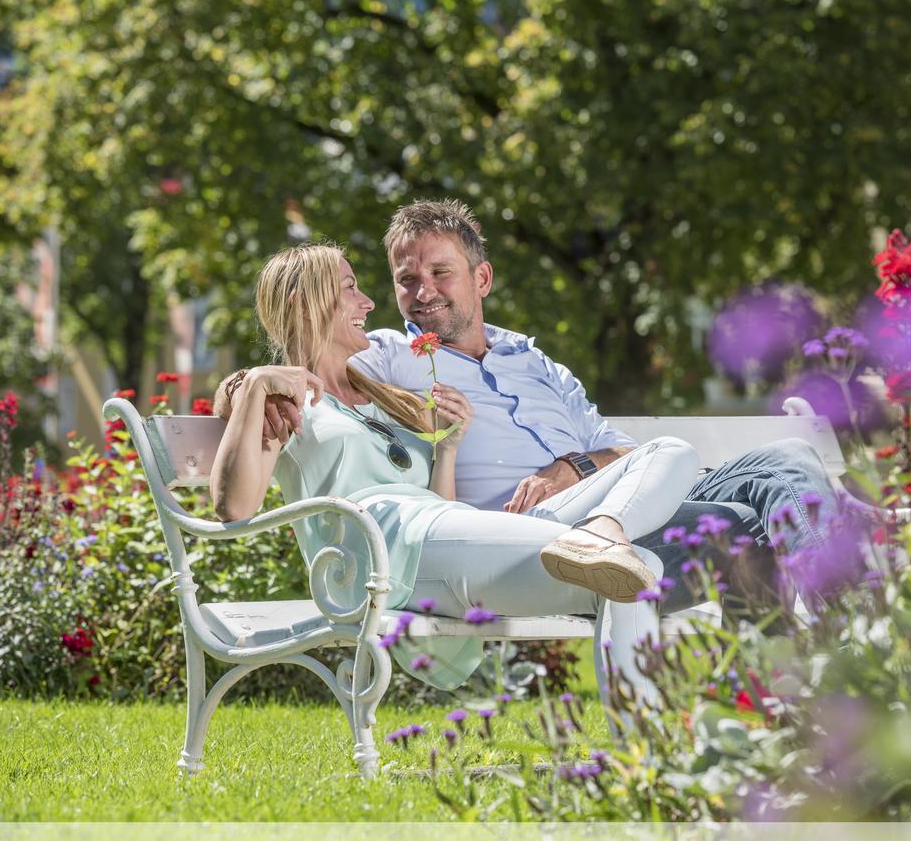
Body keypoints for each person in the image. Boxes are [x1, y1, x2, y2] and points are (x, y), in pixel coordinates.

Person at [218, 199, 840, 612]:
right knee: (744, 529)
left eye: (440, 274)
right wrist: (248, 383)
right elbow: (307, 358)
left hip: (619, 496)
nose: (417, 294)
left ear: (481, 280)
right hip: (518, 539)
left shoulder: (536, 361)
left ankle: (837, 606)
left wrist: (571, 466)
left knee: (785, 458)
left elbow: (623, 449)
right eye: (406, 281)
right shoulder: (391, 357)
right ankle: (843, 624)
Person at [209, 243, 700, 706]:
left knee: (645, 549)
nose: (368, 300)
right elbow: (232, 506)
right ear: (303, 302)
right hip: (381, 552)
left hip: (436, 534)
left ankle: (640, 761)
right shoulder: (282, 402)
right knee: (633, 568)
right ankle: (597, 544)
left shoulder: (382, 391)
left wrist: (448, 450)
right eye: (349, 287)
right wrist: (251, 385)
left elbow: (437, 504)